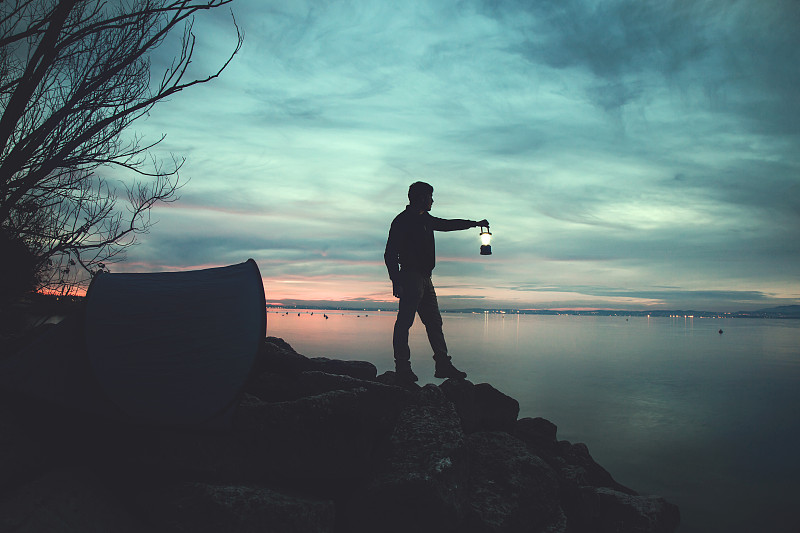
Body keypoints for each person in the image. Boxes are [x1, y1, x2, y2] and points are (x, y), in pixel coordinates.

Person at [384, 181, 489, 383]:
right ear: (422, 197)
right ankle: (403, 368)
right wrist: (396, 280)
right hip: (410, 276)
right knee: (404, 323)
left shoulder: (426, 219)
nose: (433, 200)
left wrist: (474, 224)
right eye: (430, 197)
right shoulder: (403, 220)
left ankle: (443, 364)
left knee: (434, 322)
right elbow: (390, 253)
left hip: (425, 278)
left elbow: (447, 224)